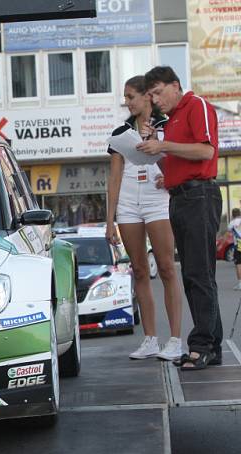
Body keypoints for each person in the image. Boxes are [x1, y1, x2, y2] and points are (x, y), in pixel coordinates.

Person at [137, 66, 222, 370]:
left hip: (200, 195)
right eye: (150, 96)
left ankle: (202, 346)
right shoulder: (170, 122)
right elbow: (176, 163)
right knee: (195, 275)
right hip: (180, 196)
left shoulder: (194, 105)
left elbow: (205, 151)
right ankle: (212, 345)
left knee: (199, 274)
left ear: (175, 85)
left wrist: (162, 144)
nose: (156, 100)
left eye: (158, 92)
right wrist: (157, 154)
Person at [106, 76, 183, 361]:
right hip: (127, 201)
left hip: (157, 199)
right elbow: (113, 178)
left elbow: (175, 163)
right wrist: (109, 220)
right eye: (125, 97)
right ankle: (150, 339)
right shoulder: (120, 132)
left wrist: (168, 175)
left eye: (131, 96)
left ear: (146, 97)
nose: (127, 102)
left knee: (166, 267)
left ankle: (175, 340)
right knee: (139, 269)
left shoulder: (168, 126)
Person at [229, 208, 241, 290]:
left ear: (233, 214)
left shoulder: (231, 223)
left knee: (238, 264)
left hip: (238, 246)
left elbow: (229, 231)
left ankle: (240, 283)